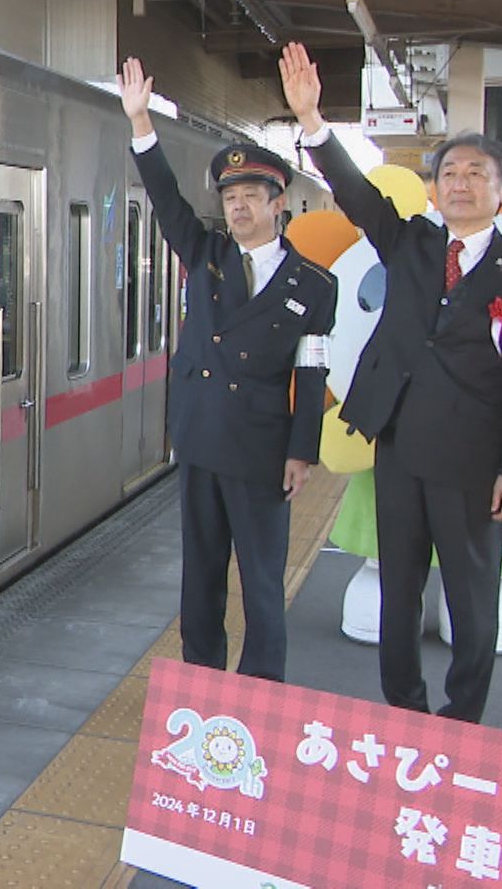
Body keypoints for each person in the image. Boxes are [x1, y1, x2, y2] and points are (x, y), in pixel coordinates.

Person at [280, 43, 502, 723]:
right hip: (399, 448)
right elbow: (354, 191)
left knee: (472, 598)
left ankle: (463, 717)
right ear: (433, 190)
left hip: (474, 461)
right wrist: (314, 121)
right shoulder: (410, 242)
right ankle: (403, 708)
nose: (460, 184)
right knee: (398, 592)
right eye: (450, 174)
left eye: (476, 174)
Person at [119, 57, 337, 682]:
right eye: (231, 198)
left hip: (264, 449)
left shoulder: (313, 285)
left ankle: (262, 686)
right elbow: (165, 198)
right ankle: (201, 679)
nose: (238, 208)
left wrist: (304, 451)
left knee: (263, 579)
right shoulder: (207, 254)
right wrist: (141, 123)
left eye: (250, 197)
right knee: (202, 572)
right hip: (202, 438)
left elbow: (313, 370)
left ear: (279, 203)